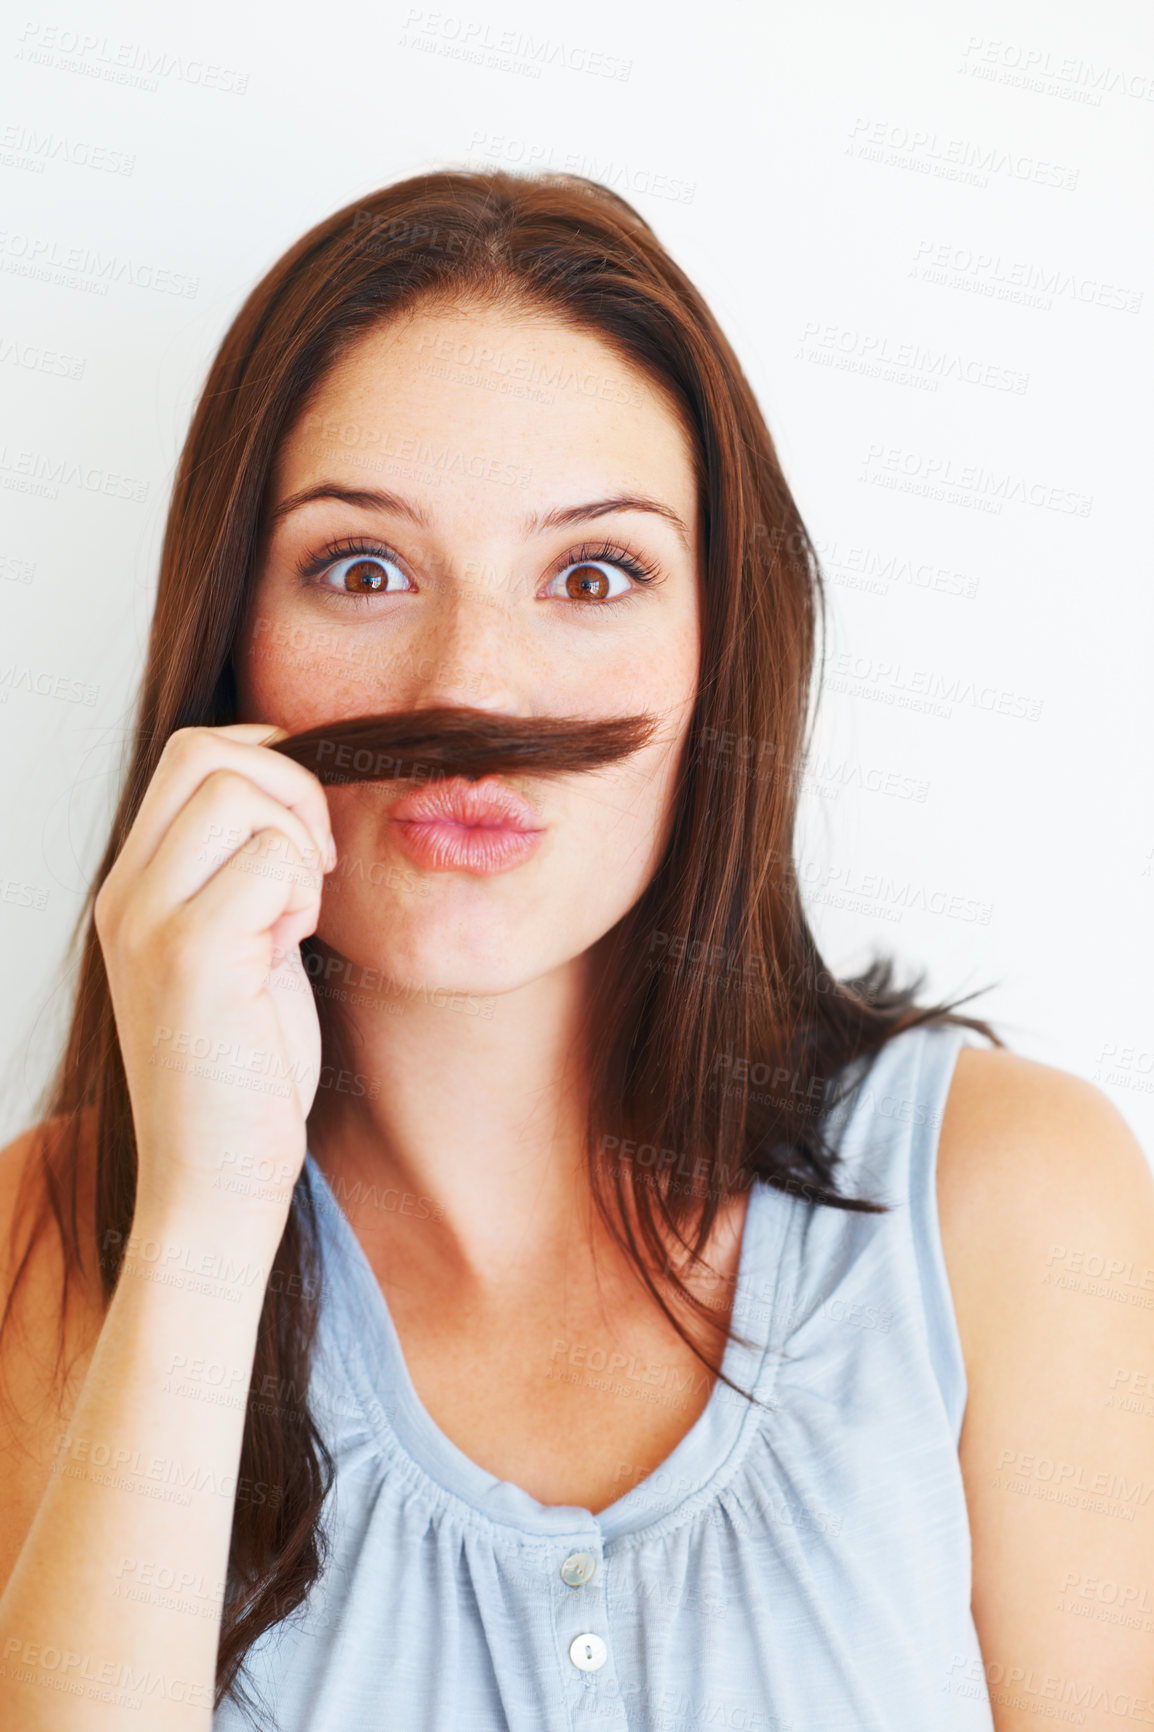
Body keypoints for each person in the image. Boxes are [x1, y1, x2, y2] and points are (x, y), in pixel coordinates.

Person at [0, 170, 1150, 1732]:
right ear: (227, 642)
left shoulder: (1010, 1199)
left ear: (717, 651)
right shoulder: (50, 1251)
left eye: (592, 575)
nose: (475, 677)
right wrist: (205, 1221)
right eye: (363, 567)